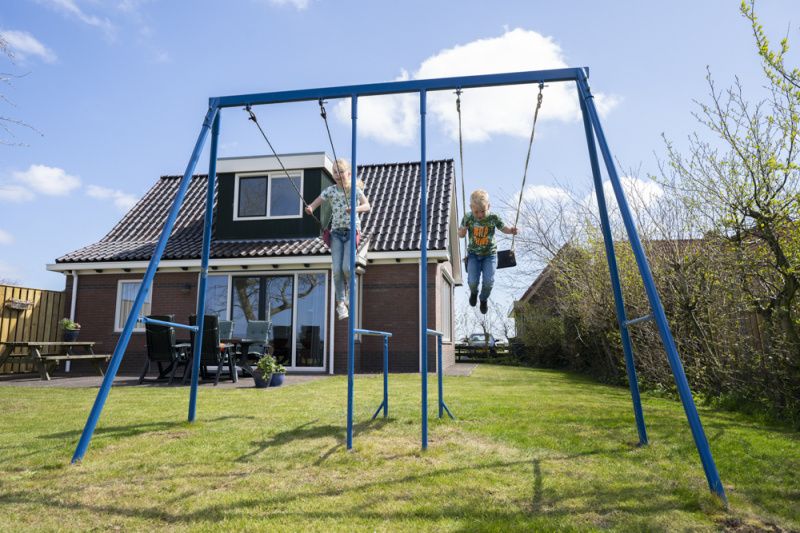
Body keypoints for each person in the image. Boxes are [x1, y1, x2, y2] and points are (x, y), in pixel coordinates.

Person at [305, 159, 370, 320]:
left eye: (341, 172)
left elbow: (367, 206)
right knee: (336, 270)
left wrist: (354, 209)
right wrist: (311, 208)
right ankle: (341, 304)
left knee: (347, 268)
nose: (337, 175)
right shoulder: (330, 191)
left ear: (348, 173)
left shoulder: (355, 190)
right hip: (336, 233)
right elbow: (317, 201)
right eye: (335, 172)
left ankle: (350, 295)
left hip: (351, 231)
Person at [458, 189, 518, 314]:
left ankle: (483, 299)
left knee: (489, 282)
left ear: (488, 207)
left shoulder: (493, 217)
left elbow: (504, 228)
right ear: (471, 208)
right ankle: (474, 293)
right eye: (476, 212)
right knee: (472, 282)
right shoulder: (468, 217)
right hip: (474, 255)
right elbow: (461, 233)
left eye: (482, 211)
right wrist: (462, 233)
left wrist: (511, 230)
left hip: (490, 255)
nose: (480, 215)